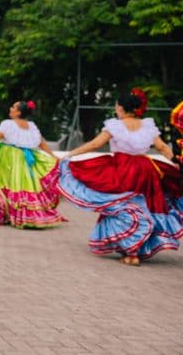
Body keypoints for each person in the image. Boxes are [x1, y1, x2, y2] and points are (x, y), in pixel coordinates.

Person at [58, 89, 183, 265]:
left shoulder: (115, 126)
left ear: (121, 108)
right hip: (145, 170)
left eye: (117, 105)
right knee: (144, 205)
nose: (116, 108)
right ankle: (135, 250)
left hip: (123, 169)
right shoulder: (147, 126)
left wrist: (71, 154)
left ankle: (130, 252)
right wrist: (176, 162)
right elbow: (162, 147)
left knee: (122, 207)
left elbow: (95, 144)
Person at [0, 100, 65, 228]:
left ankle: (6, 213)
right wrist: (53, 156)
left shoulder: (8, 124)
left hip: (10, 157)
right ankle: (21, 215)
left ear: (18, 112)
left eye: (13, 107)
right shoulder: (31, 126)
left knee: (6, 183)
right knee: (23, 184)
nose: (11, 108)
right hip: (26, 159)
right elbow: (41, 142)